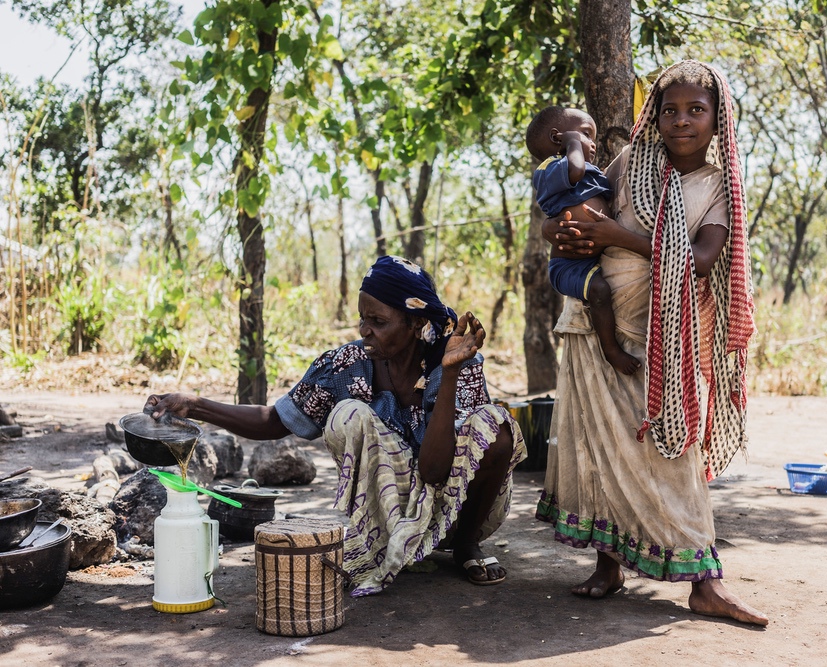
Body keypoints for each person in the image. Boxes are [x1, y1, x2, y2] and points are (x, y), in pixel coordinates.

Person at [534, 60, 768, 626]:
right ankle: (609, 563)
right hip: (591, 323)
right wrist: (558, 231)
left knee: (670, 455)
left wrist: (617, 236)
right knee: (597, 451)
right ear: (654, 118)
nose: (682, 121)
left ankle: (704, 583)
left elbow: (703, 260)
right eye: (670, 110)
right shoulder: (631, 162)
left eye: (696, 110)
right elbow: (574, 209)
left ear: (718, 121)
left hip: (659, 339)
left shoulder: (716, 187)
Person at [145, 255, 526, 596]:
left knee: (495, 426)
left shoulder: (458, 360)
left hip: (458, 508)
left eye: (378, 321)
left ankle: (465, 548)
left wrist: (450, 372)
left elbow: (434, 469)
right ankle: (384, 541)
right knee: (347, 414)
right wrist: (194, 405)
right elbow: (276, 420)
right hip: (391, 511)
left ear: (415, 324)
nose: (365, 330)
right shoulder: (346, 364)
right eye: (363, 318)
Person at [525, 106, 641, 376]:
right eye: (587, 134)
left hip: (590, 258)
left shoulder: (590, 173)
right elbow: (574, 170)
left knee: (603, 288)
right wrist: (574, 143)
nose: (592, 143)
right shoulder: (548, 169)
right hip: (569, 266)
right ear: (558, 139)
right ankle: (611, 350)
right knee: (599, 291)